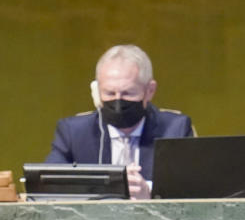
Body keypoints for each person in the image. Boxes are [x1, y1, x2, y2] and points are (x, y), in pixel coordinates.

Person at [45, 45, 194, 199]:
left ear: (150, 90)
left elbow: (194, 192)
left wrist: (150, 195)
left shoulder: (176, 130)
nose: (118, 102)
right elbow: (48, 188)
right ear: (96, 92)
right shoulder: (74, 132)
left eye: (128, 93)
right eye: (109, 93)